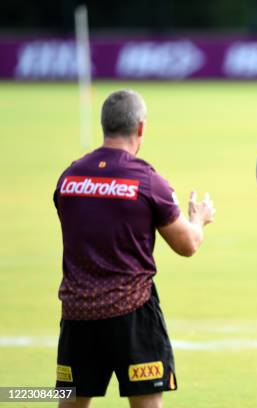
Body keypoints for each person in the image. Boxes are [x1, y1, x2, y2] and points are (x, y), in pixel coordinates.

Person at [53, 89, 216, 408]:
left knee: (70, 402)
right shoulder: (147, 180)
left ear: (104, 125)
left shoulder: (69, 178)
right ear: (141, 128)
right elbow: (187, 245)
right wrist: (199, 219)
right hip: (131, 315)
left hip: (77, 314)